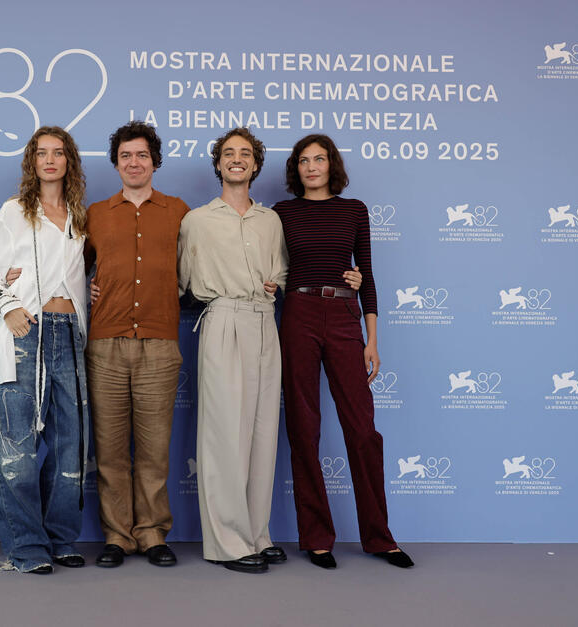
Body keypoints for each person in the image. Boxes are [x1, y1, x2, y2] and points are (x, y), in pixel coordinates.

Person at [179, 128, 362, 573]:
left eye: (245, 153)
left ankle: (256, 534)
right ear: (218, 163)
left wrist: (287, 283)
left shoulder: (271, 220)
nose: (237, 159)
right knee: (225, 434)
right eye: (229, 153)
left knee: (263, 434)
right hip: (223, 317)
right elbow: (181, 284)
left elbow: (285, 271)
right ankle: (228, 543)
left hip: (265, 322)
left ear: (256, 164)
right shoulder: (196, 220)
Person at [272, 134, 413, 569]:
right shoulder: (281, 213)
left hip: (344, 314)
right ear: (296, 169)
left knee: (363, 429)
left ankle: (379, 537)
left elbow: (366, 274)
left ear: (332, 165)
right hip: (298, 313)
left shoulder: (354, 210)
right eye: (303, 160)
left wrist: (372, 340)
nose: (311, 166)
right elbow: (271, 265)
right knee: (303, 426)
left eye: (319, 159)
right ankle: (316, 537)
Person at [0, 126, 90, 574]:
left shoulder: (79, 216)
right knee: (17, 451)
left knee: (70, 449)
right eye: (42, 153)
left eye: (58, 152)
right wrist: (9, 308)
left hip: (69, 334)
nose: (50, 160)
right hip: (26, 333)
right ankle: (25, 547)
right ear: (32, 161)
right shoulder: (14, 212)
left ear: (69, 161)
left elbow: (76, 275)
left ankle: (60, 539)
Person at [84, 121, 189, 568]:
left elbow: (203, 265)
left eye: (142, 155)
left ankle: (152, 533)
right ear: (116, 163)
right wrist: (89, 286)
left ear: (154, 162)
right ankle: (117, 536)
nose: (133, 162)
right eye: (125, 155)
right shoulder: (95, 213)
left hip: (160, 344)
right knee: (109, 450)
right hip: (105, 343)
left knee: (153, 448)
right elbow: (69, 269)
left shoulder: (180, 211)